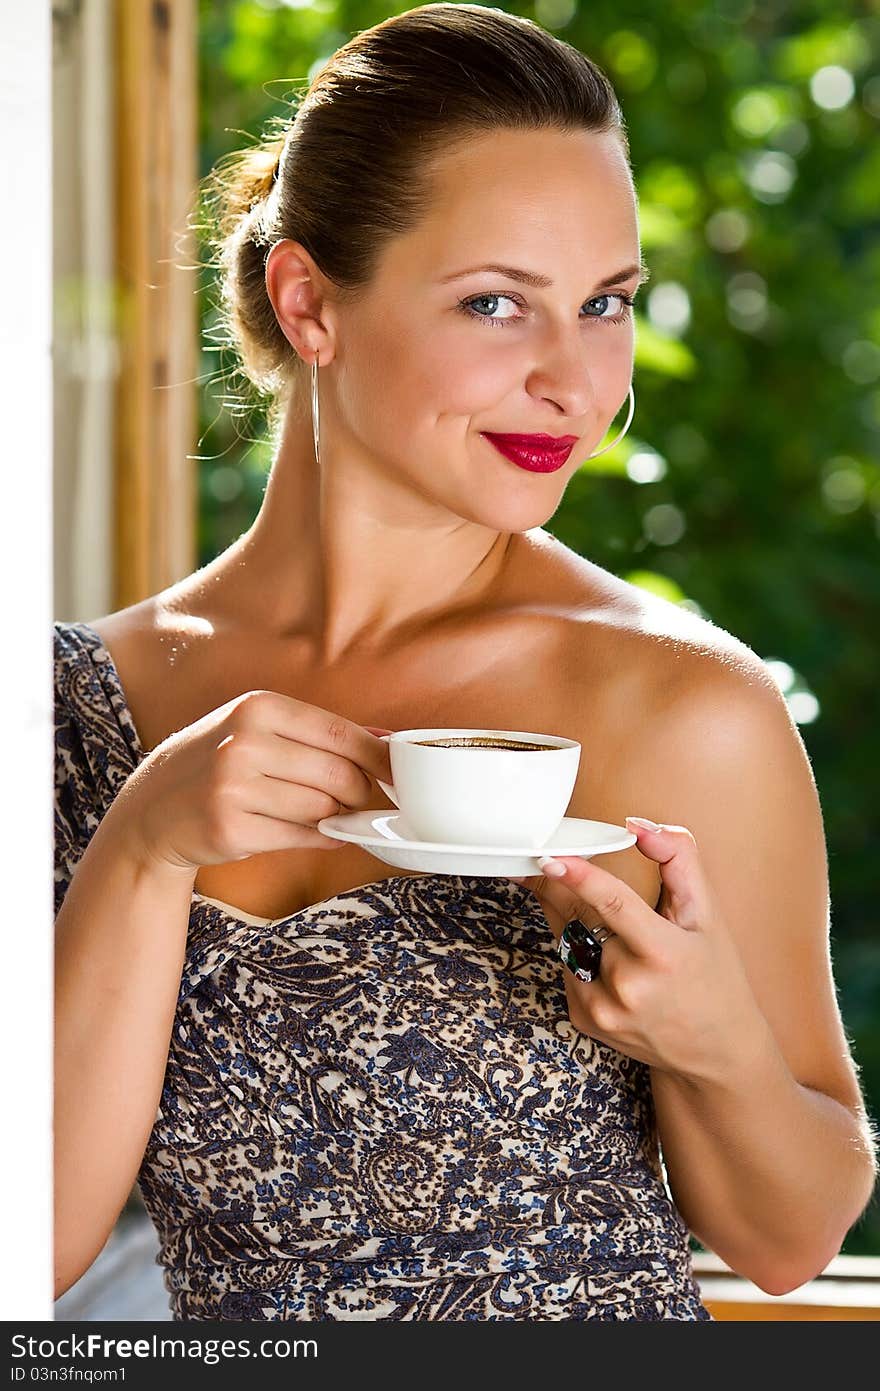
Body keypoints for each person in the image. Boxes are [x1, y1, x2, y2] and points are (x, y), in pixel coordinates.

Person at [53, 3, 876, 1321]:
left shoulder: (681, 704)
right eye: (498, 303)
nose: (576, 379)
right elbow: (29, 1244)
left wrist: (713, 1049)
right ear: (308, 300)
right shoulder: (72, 712)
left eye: (605, 303)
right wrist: (143, 843)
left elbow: (788, 1240)